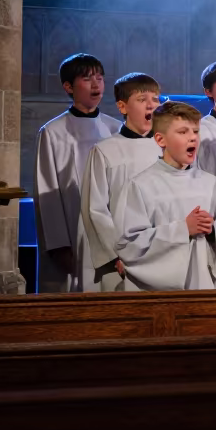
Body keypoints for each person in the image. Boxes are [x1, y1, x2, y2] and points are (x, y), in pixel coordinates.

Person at [115, 101, 216, 291]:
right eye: (183, 132)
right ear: (161, 140)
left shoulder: (210, 184)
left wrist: (212, 230)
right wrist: (183, 229)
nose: (192, 138)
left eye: (195, 131)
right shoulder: (141, 185)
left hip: (202, 285)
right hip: (158, 293)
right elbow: (130, 245)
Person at [34, 53, 120, 292]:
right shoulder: (53, 132)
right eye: (87, 78)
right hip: (71, 234)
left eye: (100, 78)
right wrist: (59, 245)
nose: (96, 84)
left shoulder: (115, 129)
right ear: (68, 87)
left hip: (111, 236)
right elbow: (47, 190)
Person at [80, 72, 162, 291]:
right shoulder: (105, 151)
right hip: (121, 260)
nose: (151, 105)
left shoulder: (167, 148)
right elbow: (95, 209)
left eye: (155, 99)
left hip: (162, 253)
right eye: (142, 99)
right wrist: (115, 254)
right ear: (122, 107)